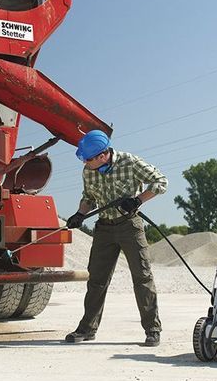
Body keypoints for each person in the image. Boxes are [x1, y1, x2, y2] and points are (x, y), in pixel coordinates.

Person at [64, 130, 168, 346]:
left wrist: (138, 200)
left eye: (87, 158)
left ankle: (152, 330)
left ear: (102, 155)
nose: (85, 162)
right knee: (96, 281)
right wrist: (79, 214)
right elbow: (89, 197)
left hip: (130, 225)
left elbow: (161, 182)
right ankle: (87, 329)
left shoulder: (129, 162)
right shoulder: (88, 171)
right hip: (103, 227)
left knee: (142, 277)